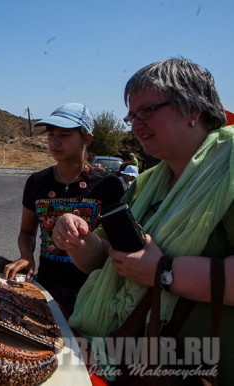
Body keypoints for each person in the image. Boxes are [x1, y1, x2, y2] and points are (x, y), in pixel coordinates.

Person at [52, 58, 234, 383]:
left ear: (193, 109)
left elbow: (152, 269)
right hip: (133, 361)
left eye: (146, 111)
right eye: (131, 115)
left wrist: (165, 272)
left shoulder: (229, 166)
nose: (135, 125)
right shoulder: (146, 183)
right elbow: (103, 261)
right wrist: (80, 240)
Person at [3, 103, 124, 315]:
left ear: (87, 138)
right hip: (46, 287)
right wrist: (26, 256)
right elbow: (27, 232)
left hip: (93, 292)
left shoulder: (108, 184)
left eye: (64, 135)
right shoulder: (37, 182)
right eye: (51, 135)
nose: (55, 142)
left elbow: (116, 243)